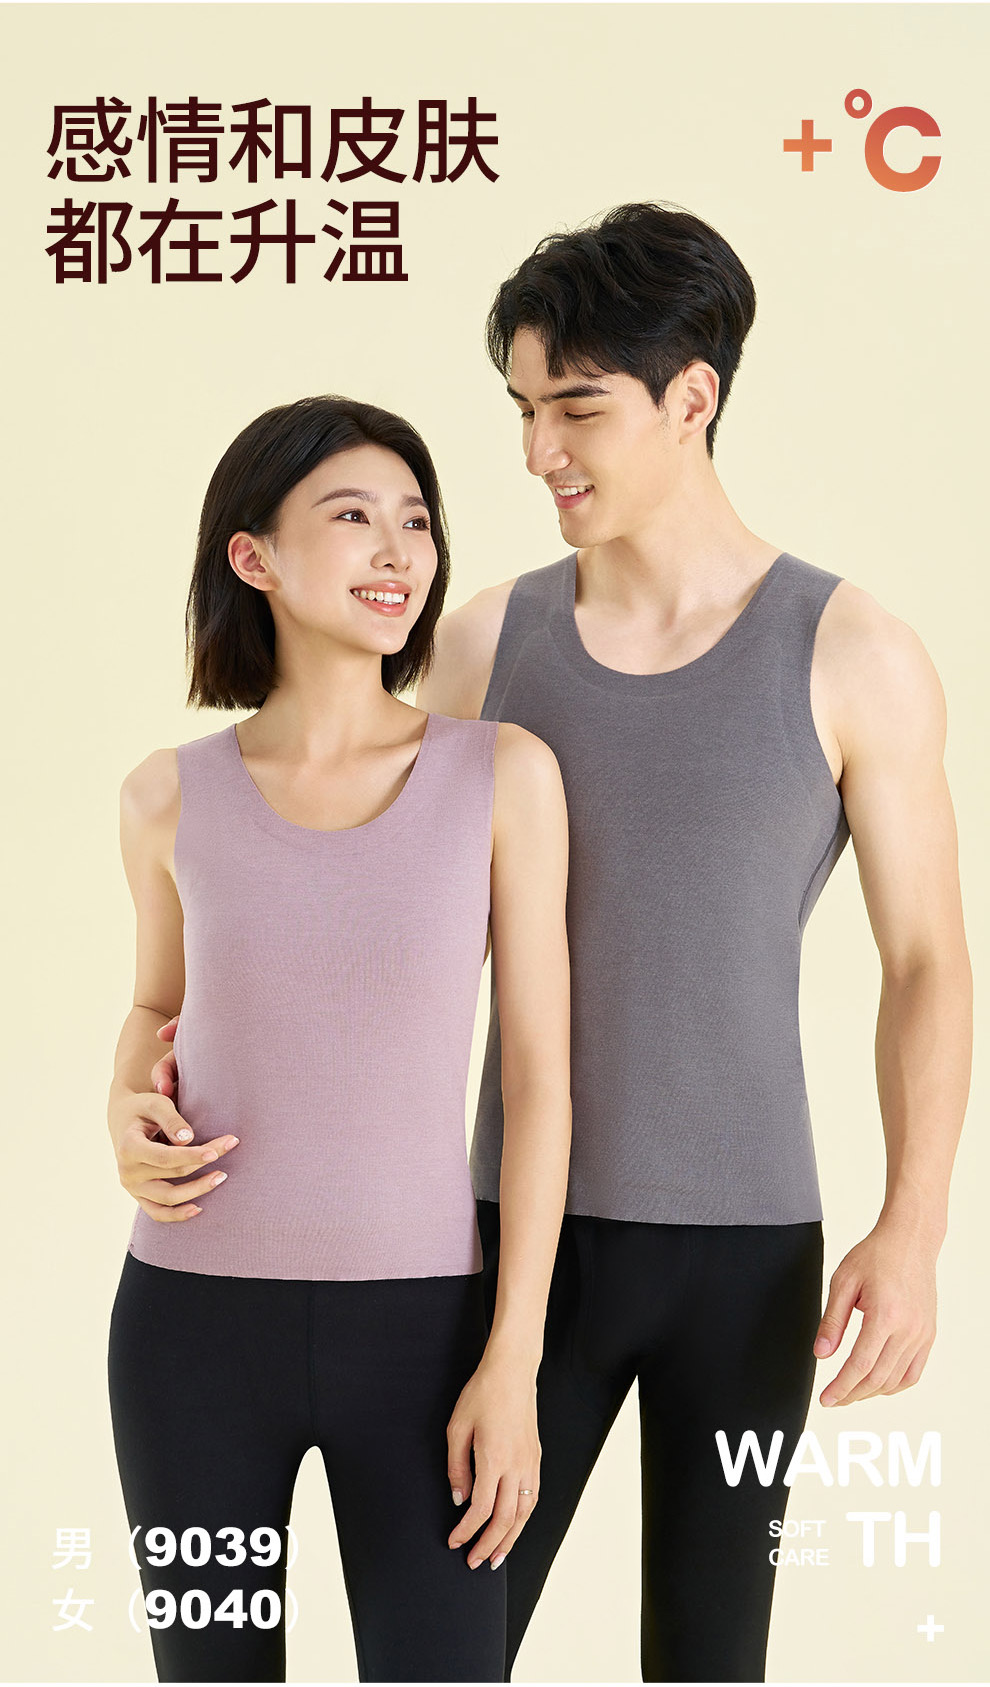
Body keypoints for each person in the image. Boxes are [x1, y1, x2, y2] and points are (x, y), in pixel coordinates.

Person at [412, 204, 971, 1682]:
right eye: (523, 409)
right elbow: (378, 930)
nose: (538, 449)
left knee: (714, 1659)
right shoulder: (482, 648)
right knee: (444, 1646)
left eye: (576, 408)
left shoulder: (853, 654)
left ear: (692, 398)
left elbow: (925, 961)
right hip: (513, 1241)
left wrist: (912, 1227)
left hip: (748, 1265)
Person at [105, 395, 572, 1684]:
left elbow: (538, 1081)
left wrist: (514, 1361)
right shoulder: (166, 794)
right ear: (252, 556)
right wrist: (123, 1106)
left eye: (416, 522)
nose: (397, 553)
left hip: (427, 1335)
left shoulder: (502, 775)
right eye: (353, 516)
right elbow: (155, 1007)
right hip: (190, 1329)